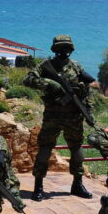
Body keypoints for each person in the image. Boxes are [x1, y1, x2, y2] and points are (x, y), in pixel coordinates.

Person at [23, 34, 96, 201]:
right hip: (52, 116)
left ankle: (77, 184)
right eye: (60, 48)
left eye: (66, 48)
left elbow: (87, 92)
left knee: (77, 150)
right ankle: (38, 186)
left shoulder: (76, 66)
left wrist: (88, 111)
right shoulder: (46, 66)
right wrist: (49, 84)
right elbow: (28, 80)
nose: (64, 51)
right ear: (55, 49)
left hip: (74, 116)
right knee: (45, 149)